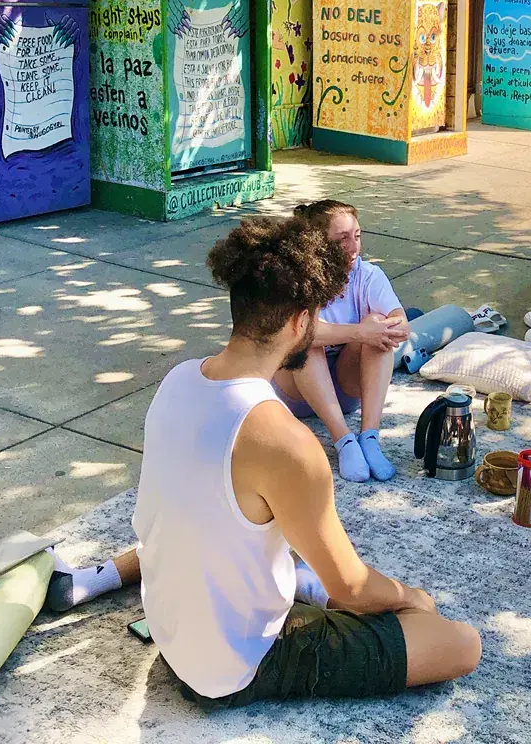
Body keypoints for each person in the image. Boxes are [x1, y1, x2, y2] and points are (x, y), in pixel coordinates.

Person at [116, 216, 478, 703]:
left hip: (172, 630)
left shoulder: (179, 378)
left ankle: (300, 586)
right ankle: (308, 595)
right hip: (233, 667)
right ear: (298, 322)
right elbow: (352, 589)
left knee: (290, 547)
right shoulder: (284, 440)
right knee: (460, 644)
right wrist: (414, 599)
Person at [274, 200, 410, 484]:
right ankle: (344, 440)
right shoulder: (298, 278)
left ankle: (369, 438)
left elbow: (401, 323)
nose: (353, 247)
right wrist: (360, 332)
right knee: (307, 340)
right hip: (295, 394)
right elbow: (299, 332)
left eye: (357, 235)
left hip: (346, 392)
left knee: (378, 327)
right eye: (342, 239)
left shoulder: (368, 275)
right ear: (317, 244)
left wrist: (382, 328)